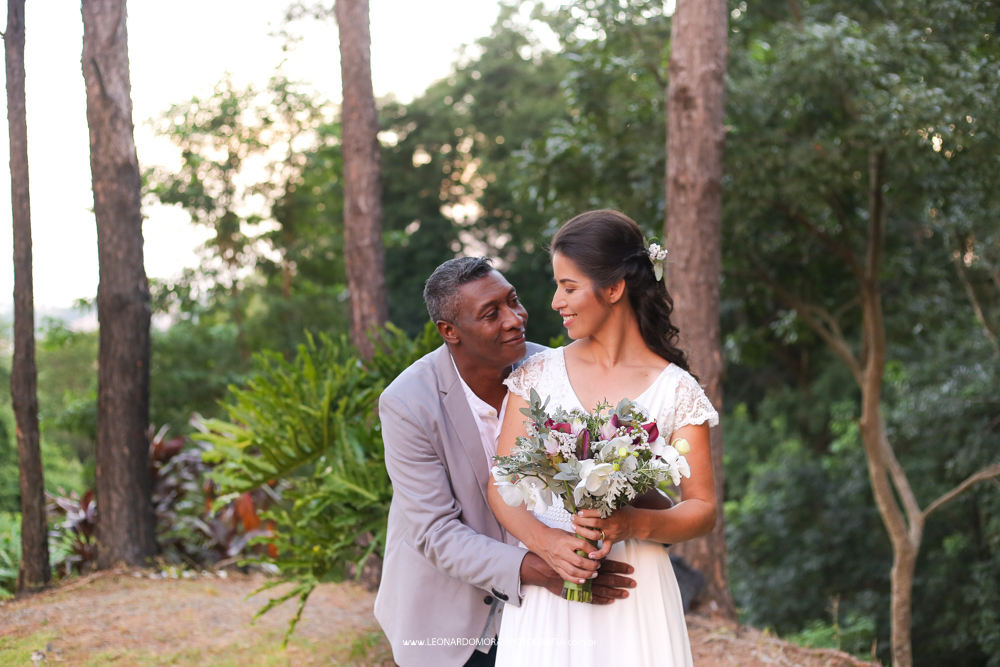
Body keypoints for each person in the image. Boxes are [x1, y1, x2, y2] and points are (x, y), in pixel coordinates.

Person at [375, 257, 641, 667]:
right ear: (450, 332)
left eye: (513, 301)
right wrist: (539, 567)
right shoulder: (407, 403)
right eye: (491, 313)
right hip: (448, 625)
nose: (515, 318)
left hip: (550, 615)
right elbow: (435, 532)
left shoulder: (555, 370)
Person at [488, 210, 720, 667]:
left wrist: (631, 523)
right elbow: (500, 484)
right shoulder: (537, 375)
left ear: (614, 288)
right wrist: (549, 547)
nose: (555, 301)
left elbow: (703, 509)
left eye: (569, 287)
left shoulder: (677, 390)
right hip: (549, 595)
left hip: (635, 592)